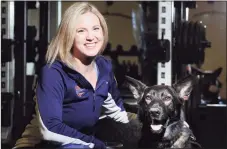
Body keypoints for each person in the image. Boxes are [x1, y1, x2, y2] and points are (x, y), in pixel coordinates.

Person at [13, 2, 129, 149]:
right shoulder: (53, 72)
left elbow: (118, 113)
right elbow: (50, 130)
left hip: (82, 143)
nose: (90, 37)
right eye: (81, 31)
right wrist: (96, 144)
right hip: (42, 144)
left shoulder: (103, 66)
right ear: (68, 35)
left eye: (95, 29)